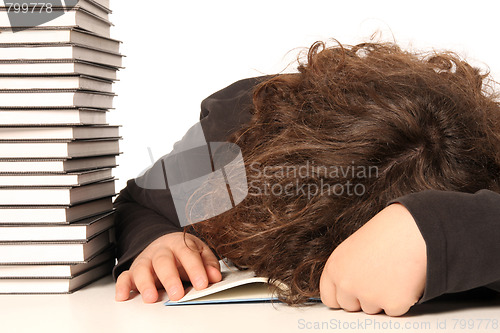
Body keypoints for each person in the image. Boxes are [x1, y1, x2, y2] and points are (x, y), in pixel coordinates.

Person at [113, 40, 500, 316]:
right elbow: (138, 202)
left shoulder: (486, 151)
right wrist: (157, 240)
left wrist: (444, 230)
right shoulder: (231, 142)